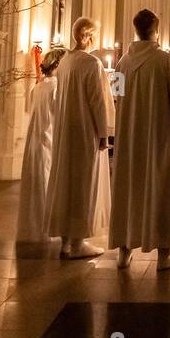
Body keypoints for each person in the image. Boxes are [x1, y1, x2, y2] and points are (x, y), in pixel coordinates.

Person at [110, 9, 170, 270]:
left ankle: (124, 250)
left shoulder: (122, 63)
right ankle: (164, 254)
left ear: (136, 30)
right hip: (159, 140)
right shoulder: (167, 62)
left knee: (128, 191)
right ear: (157, 29)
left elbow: (117, 99)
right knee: (163, 190)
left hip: (130, 140)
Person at [47, 17, 110, 259]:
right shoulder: (91, 63)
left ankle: (65, 241)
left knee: (66, 182)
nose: (96, 41)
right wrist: (104, 134)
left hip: (65, 130)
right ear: (87, 36)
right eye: (94, 36)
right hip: (84, 131)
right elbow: (98, 101)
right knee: (83, 184)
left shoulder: (64, 62)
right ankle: (78, 243)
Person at [16, 51, 62, 242]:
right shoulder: (57, 88)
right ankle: (48, 229)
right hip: (49, 138)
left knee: (35, 185)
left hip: (35, 140)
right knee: (47, 184)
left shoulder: (38, 87)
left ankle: (33, 228)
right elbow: (59, 116)